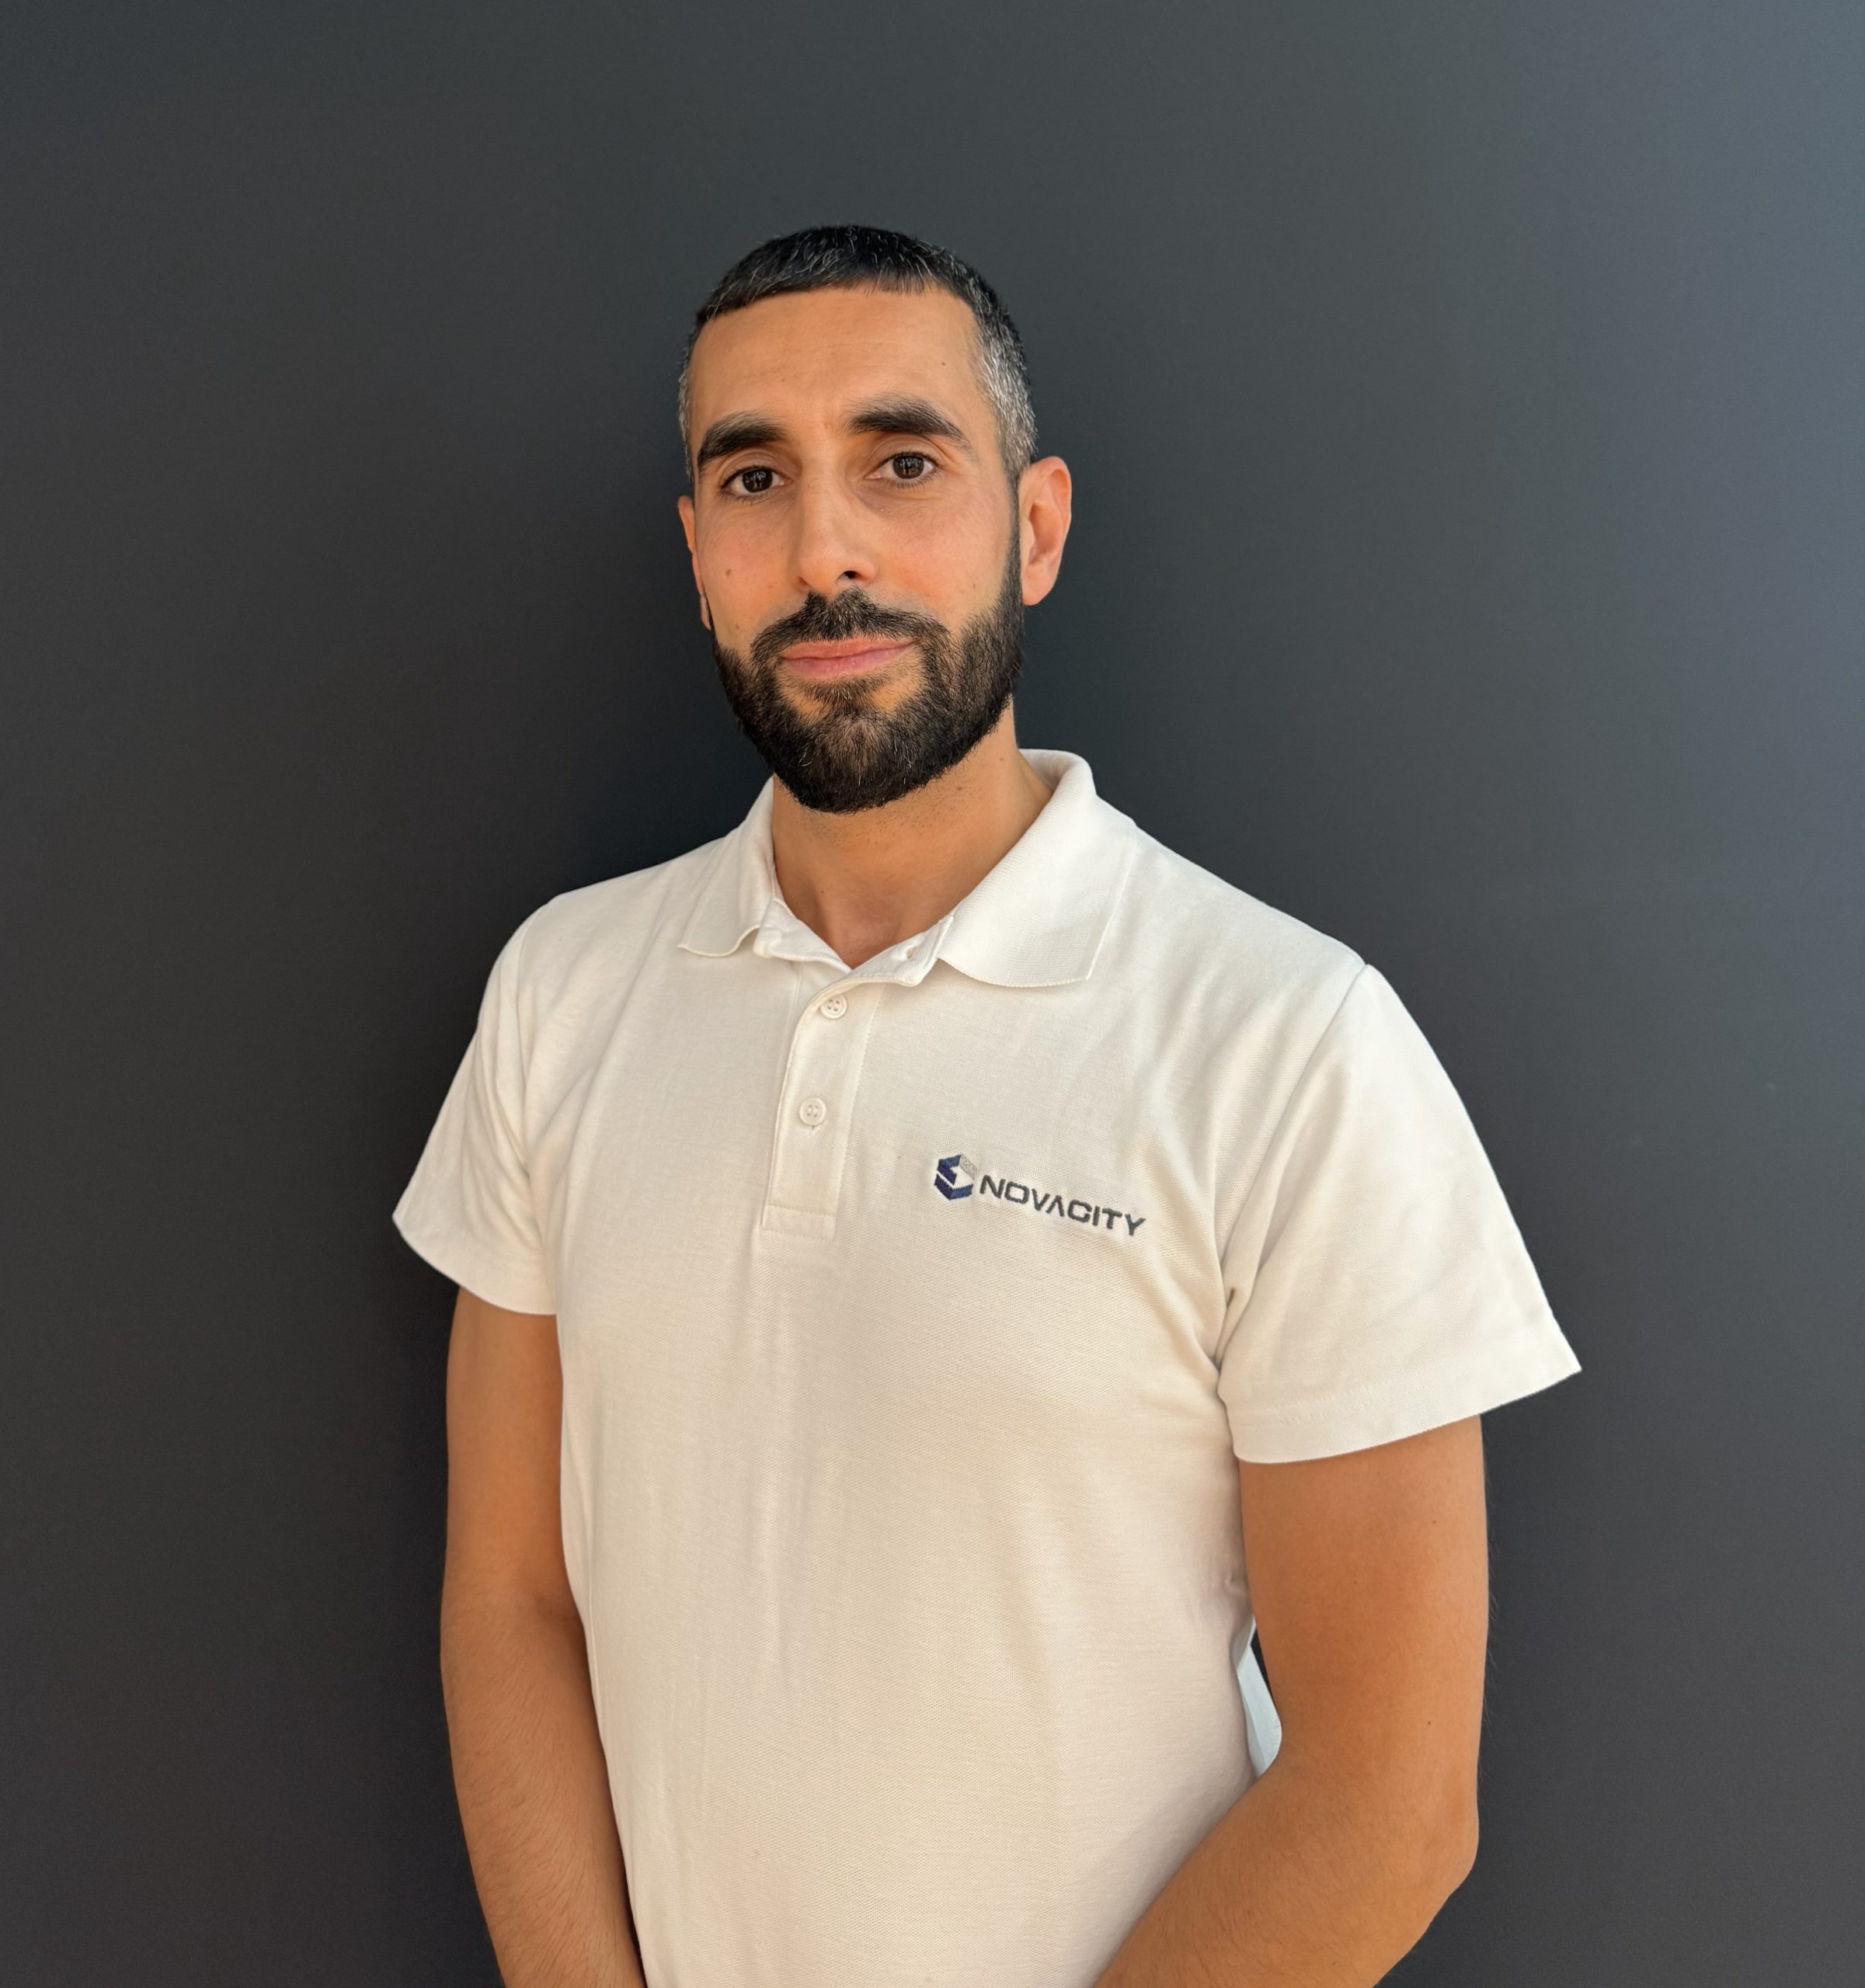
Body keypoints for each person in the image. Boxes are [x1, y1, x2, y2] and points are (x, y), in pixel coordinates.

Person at [392, 223, 1581, 1988]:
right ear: (697, 554)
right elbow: (512, 1596)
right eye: (754, 477)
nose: (826, 549)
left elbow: (1388, 1799)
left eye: (902, 462)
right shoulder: (562, 993)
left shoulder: (1282, 1040)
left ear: (1035, 525)